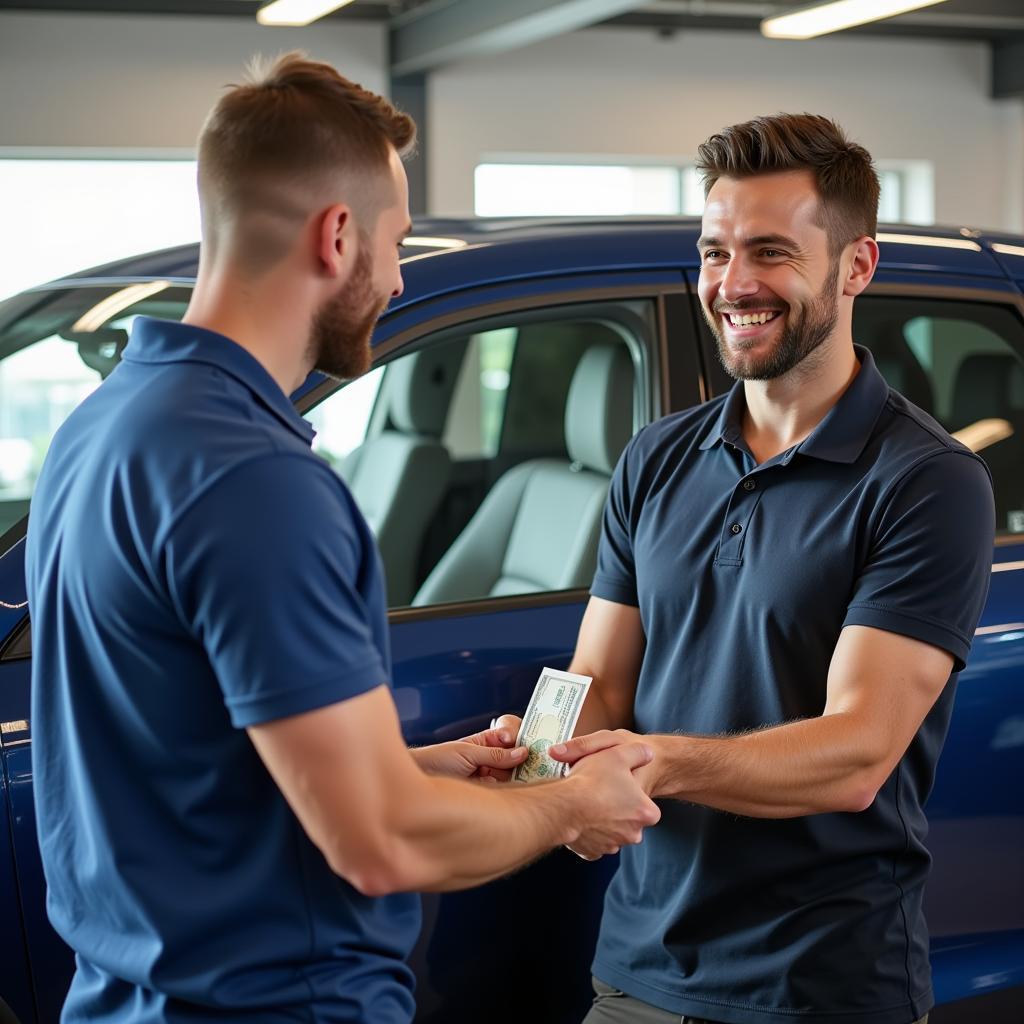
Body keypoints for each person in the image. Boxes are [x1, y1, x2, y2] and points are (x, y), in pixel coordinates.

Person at [24, 53, 660, 1024]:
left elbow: (192, 760)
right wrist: (575, 804)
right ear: (336, 235)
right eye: (396, 242)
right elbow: (379, 846)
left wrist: (423, 766)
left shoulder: (108, 425)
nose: (399, 278)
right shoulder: (258, 482)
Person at [494, 114, 994, 1024]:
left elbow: (855, 753)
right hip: (637, 971)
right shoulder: (656, 459)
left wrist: (654, 761)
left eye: (770, 252)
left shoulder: (928, 482)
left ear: (856, 267)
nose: (733, 285)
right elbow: (599, 679)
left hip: (820, 985)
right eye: (715, 252)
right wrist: (543, 758)